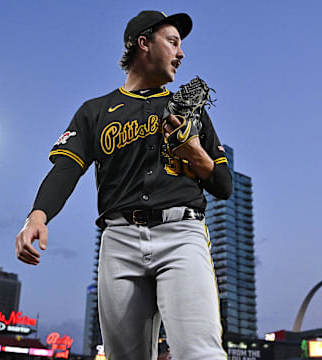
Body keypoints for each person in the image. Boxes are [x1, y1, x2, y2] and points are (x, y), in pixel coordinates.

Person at [16, 10, 232, 360]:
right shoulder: (95, 111)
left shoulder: (190, 111)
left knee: (200, 352)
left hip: (182, 235)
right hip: (119, 241)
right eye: (173, 42)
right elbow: (66, 170)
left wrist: (194, 152)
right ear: (143, 43)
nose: (182, 53)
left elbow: (223, 185)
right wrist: (37, 217)